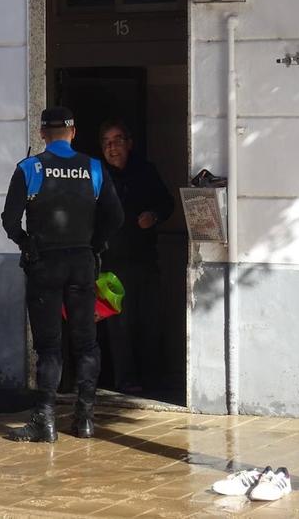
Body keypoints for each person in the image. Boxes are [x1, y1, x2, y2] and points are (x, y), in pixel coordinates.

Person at [1, 106, 123, 442]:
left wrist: (28, 245)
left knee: (49, 347)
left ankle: (45, 421)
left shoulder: (29, 168)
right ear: (73, 133)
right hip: (82, 263)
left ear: (42, 134)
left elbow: (9, 221)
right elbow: (116, 216)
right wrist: (93, 245)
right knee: (86, 343)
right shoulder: (94, 167)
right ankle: (84, 419)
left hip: (45, 264)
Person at [98, 119, 174, 393]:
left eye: (117, 140)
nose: (112, 147)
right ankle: (124, 381)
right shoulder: (98, 175)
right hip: (111, 263)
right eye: (106, 143)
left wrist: (154, 216)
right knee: (118, 324)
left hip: (144, 259)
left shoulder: (145, 171)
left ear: (129, 143)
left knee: (149, 319)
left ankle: (153, 378)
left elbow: (167, 203)